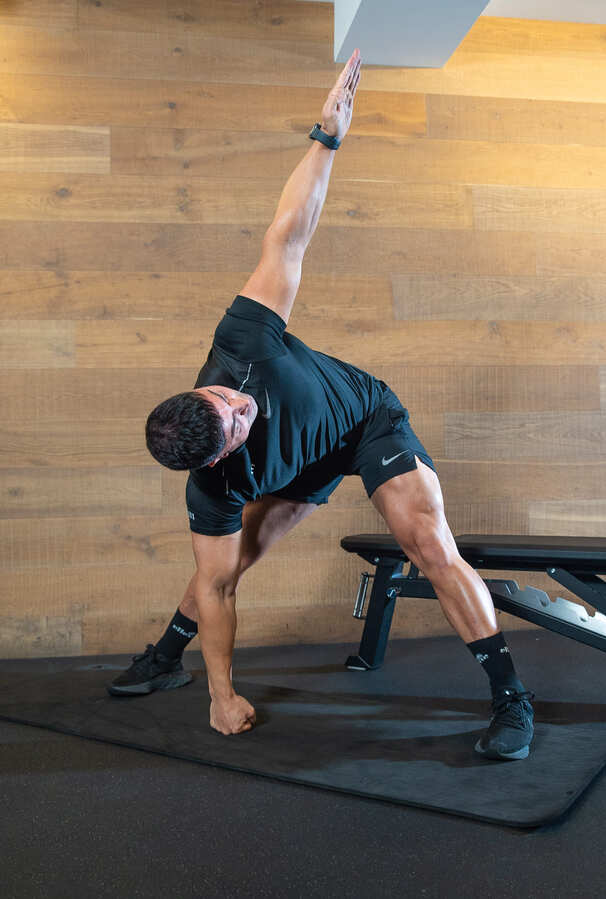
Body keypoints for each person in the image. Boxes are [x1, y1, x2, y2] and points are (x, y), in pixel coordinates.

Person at [108, 49, 534, 761]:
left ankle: (511, 697)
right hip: (302, 465)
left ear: (202, 385)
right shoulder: (214, 482)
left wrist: (326, 135)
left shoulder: (243, 341)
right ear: (213, 459)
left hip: (366, 422)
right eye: (233, 427)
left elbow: (289, 232)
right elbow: (215, 586)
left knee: (427, 543)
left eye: (229, 401)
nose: (240, 407)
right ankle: (169, 658)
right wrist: (223, 694)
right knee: (228, 567)